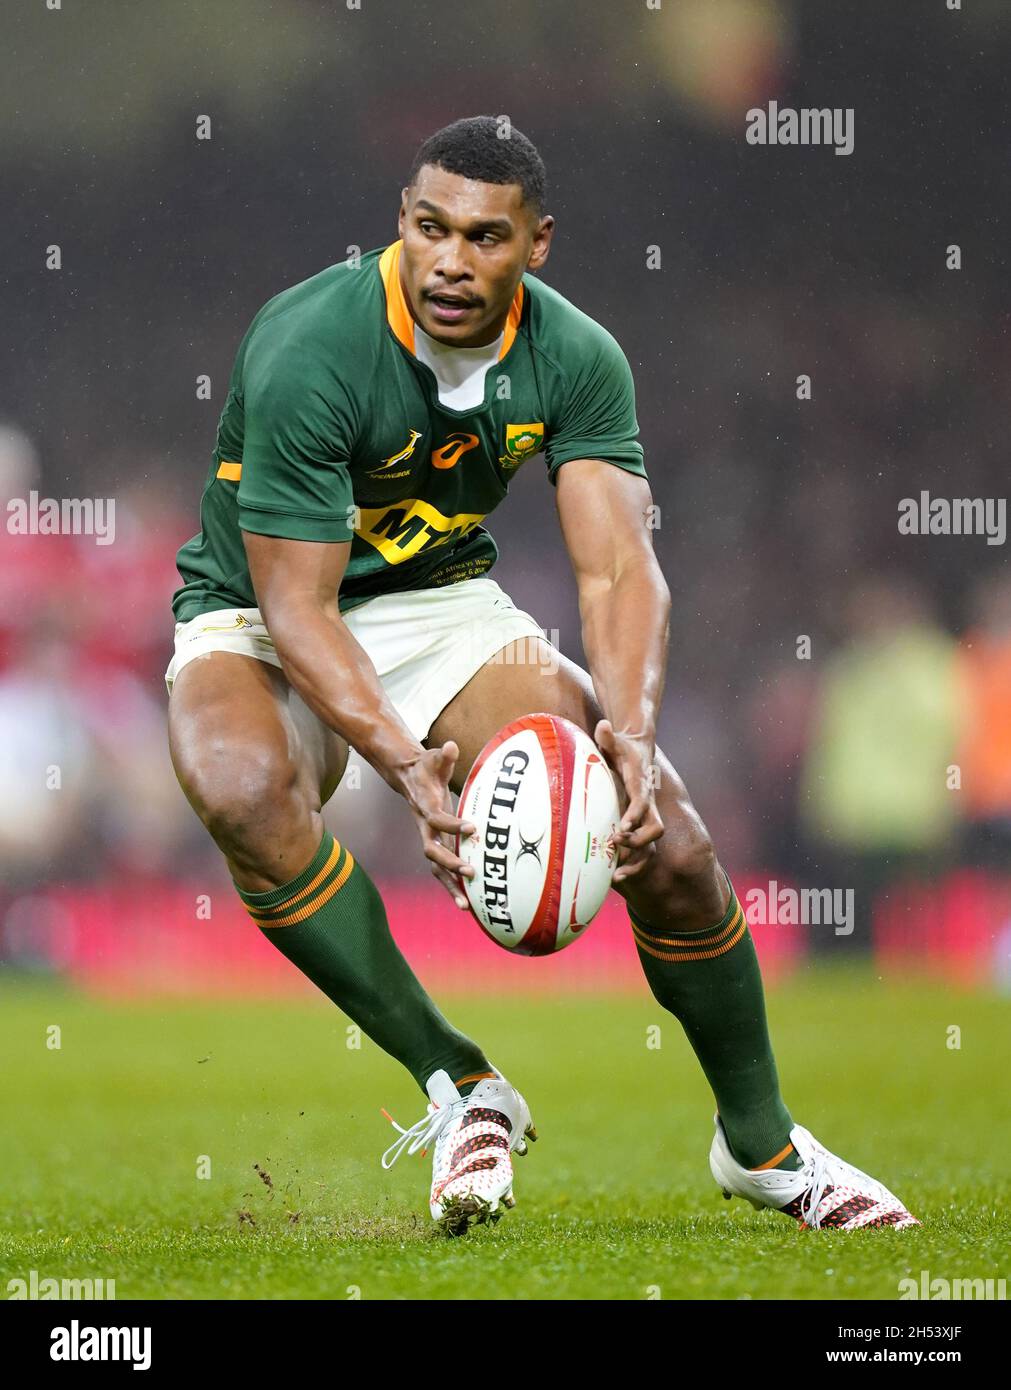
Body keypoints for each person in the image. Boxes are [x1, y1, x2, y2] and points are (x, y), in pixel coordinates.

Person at [165, 116, 917, 1234]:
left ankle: (764, 1146)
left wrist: (634, 732)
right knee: (236, 784)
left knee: (669, 838)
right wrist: (408, 766)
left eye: (485, 236)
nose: (451, 261)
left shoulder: (575, 355)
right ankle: (462, 1082)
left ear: (538, 244)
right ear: (401, 227)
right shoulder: (310, 344)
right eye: (429, 230)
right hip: (263, 607)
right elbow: (297, 609)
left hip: (444, 603)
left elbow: (620, 569)